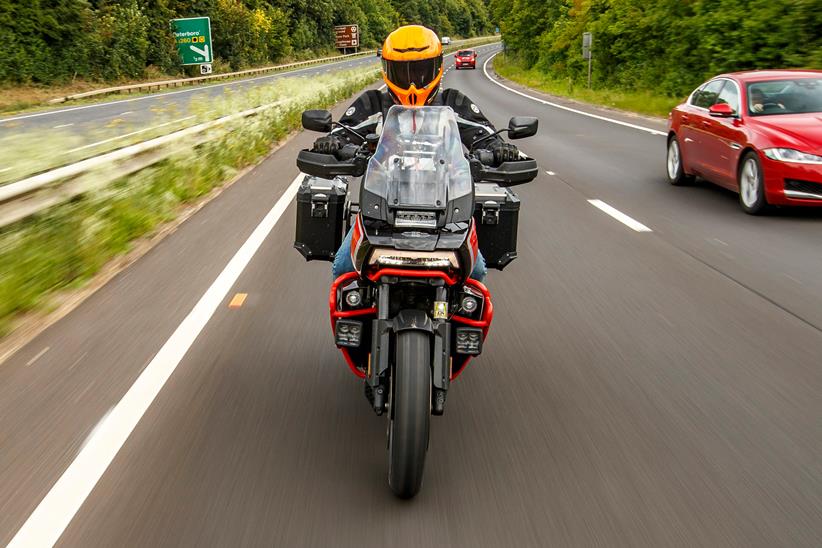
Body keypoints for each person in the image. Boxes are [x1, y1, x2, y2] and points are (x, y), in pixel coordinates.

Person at [314, 25, 521, 282]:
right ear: (388, 70)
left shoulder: (454, 103)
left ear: (435, 68)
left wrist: (499, 148)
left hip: (447, 211)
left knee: (474, 270)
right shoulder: (372, 103)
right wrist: (330, 142)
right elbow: (344, 132)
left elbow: (484, 135)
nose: (412, 81)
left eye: (420, 70)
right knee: (345, 265)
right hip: (380, 208)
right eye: (403, 71)